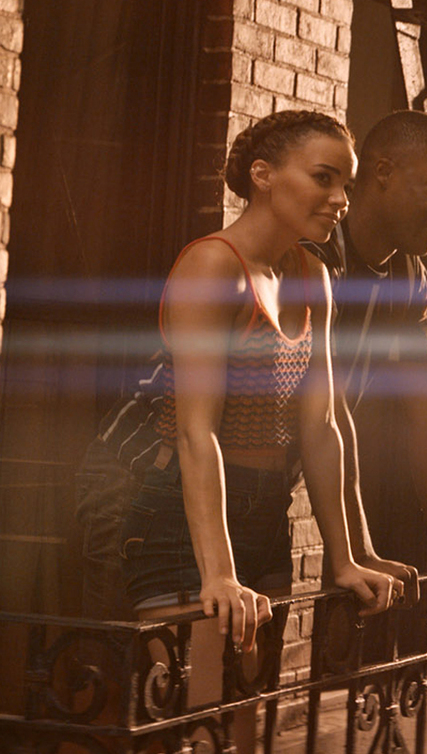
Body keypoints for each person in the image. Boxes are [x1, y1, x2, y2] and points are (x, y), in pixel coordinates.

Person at [120, 111, 400, 650]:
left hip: (269, 513)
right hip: (184, 516)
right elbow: (194, 432)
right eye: (324, 178)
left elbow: (322, 428)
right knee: (188, 715)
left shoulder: (311, 275)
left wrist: (344, 558)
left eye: (347, 183)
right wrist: (220, 573)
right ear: (263, 175)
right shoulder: (212, 265)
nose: (341, 198)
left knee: (248, 715)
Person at [306, 110, 427, 598]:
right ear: (384, 173)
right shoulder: (313, 254)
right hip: (167, 479)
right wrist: (356, 550)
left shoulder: (410, 272)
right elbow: (323, 417)